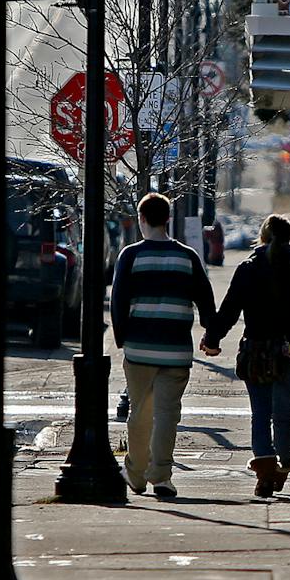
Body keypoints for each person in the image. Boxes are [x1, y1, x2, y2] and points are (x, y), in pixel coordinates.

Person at [201, 214, 290, 497]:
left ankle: (265, 470)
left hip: (256, 353)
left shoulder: (248, 269)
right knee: (282, 415)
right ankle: (284, 463)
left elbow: (229, 310)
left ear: (262, 237)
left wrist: (212, 338)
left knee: (260, 414)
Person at [109, 191, 217, 499]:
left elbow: (118, 302)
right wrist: (211, 337)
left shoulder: (130, 256)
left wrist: (122, 337)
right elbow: (205, 300)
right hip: (176, 350)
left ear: (142, 220)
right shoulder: (187, 257)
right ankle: (162, 477)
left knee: (139, 413)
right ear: (167, 220)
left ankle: (135, 473)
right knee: (168, 415)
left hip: (139, 348)